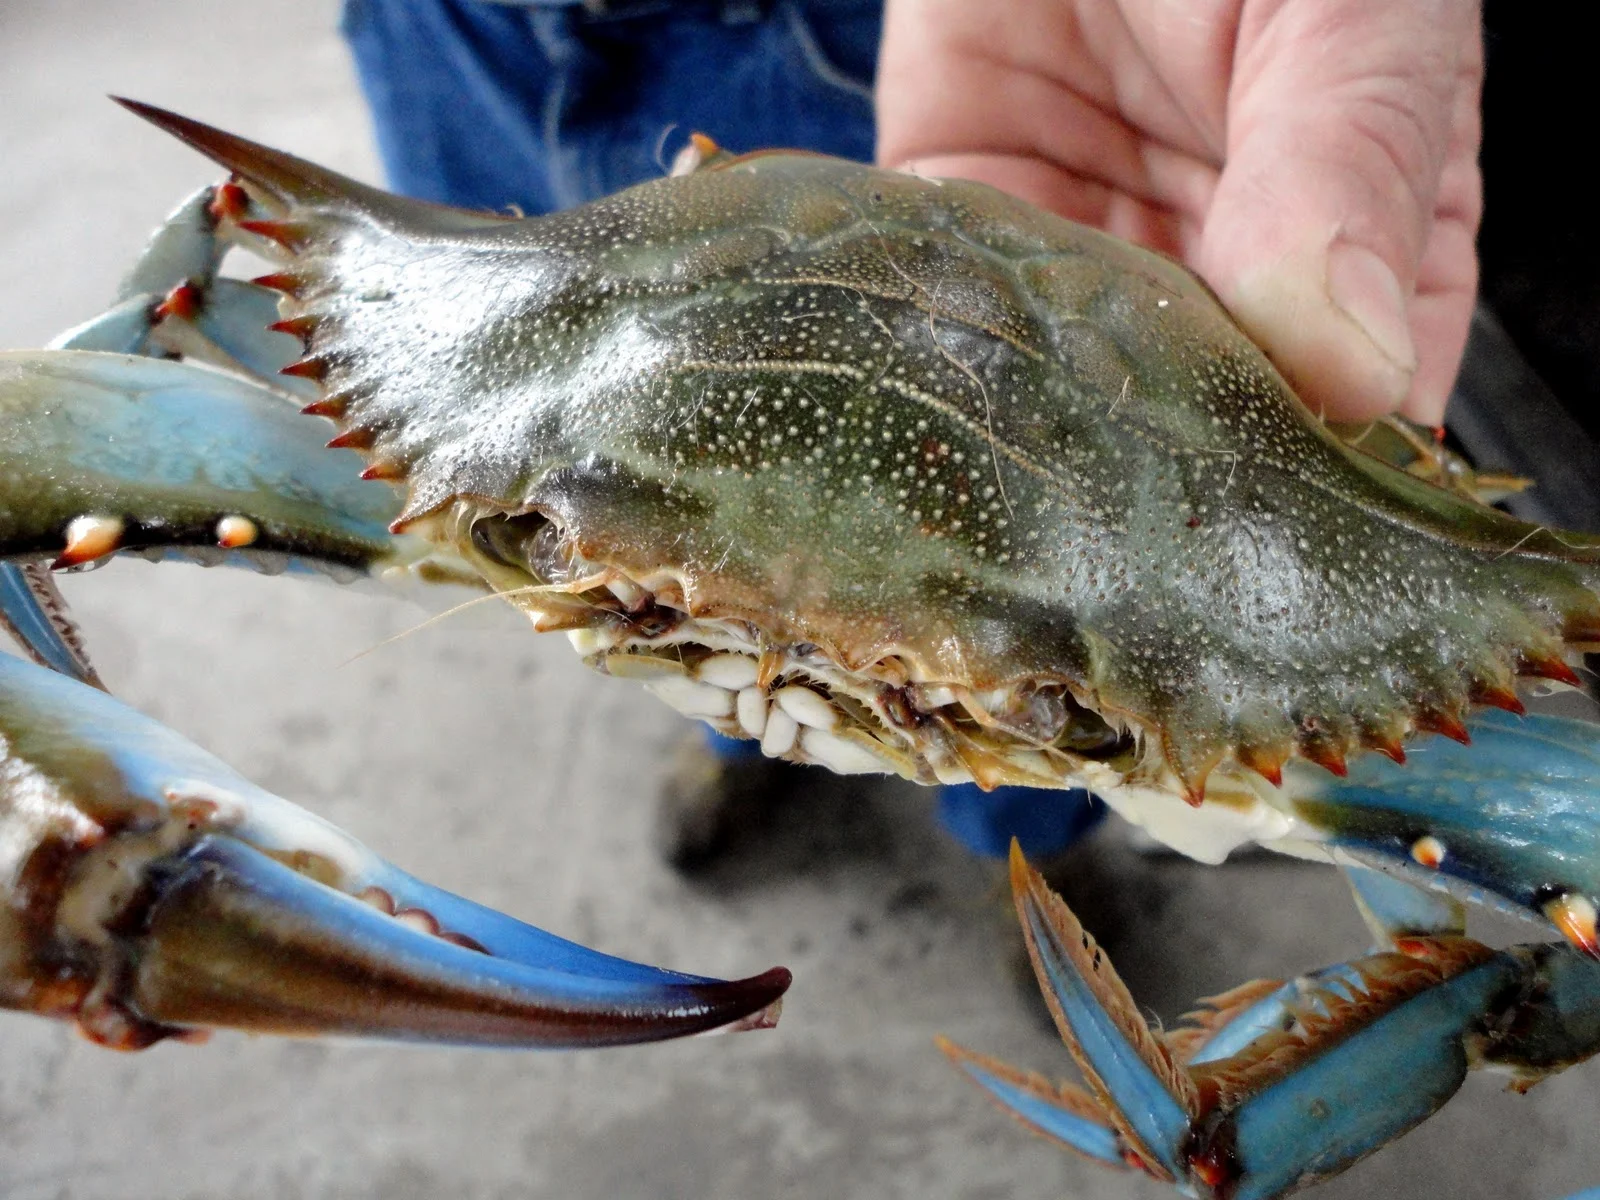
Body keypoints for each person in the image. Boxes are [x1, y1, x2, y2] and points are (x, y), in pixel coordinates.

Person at [339, 0, 1483, 862]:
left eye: (1046, 695)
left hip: (869, 37)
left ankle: (1028, 861)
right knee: (660, 593)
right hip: (461, 32)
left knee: (1055, 725)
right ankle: (732, 732)